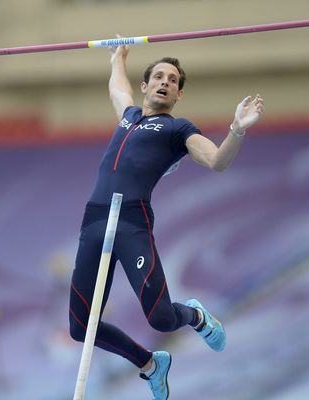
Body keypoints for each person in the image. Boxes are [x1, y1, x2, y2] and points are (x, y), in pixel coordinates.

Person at [69, 38, 264, 400]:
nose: (164, 82)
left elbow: (217, 161)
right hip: (95, 221)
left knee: (160, 318)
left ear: (178, 95)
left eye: (172, 80)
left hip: (130, 222)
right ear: (145, 86)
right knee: (80, 327)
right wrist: (119, 57)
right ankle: (150, 365)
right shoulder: (128, 116)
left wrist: (237, 128)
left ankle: (196, 317)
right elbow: (117, 89)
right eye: (158, 76)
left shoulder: (178, 130)